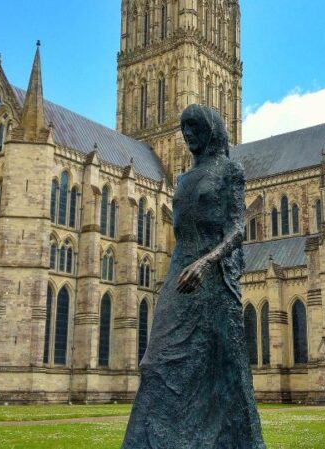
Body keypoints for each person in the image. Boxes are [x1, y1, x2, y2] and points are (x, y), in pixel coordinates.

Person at [121, 104, 265, 449]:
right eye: (183, 128)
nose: (187, 134)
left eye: (194, 126)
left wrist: (206, 263)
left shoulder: (230, 171)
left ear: (211, 129)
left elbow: (238, 230)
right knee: (155, 361)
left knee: (223, 366)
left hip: (210, 277)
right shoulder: (183, 178)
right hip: (177, 272)